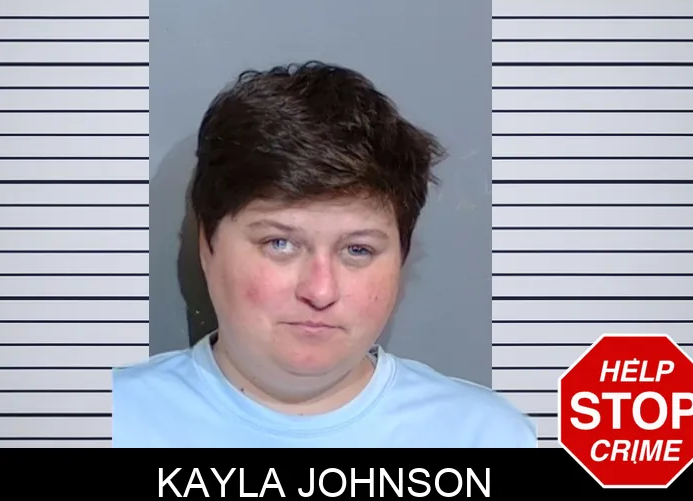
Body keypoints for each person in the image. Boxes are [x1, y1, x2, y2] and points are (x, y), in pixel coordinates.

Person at [112, 61, 537, 448]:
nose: (320, 291)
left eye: (357, 250)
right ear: (208, 245)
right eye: (280, 244)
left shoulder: (485, 437)